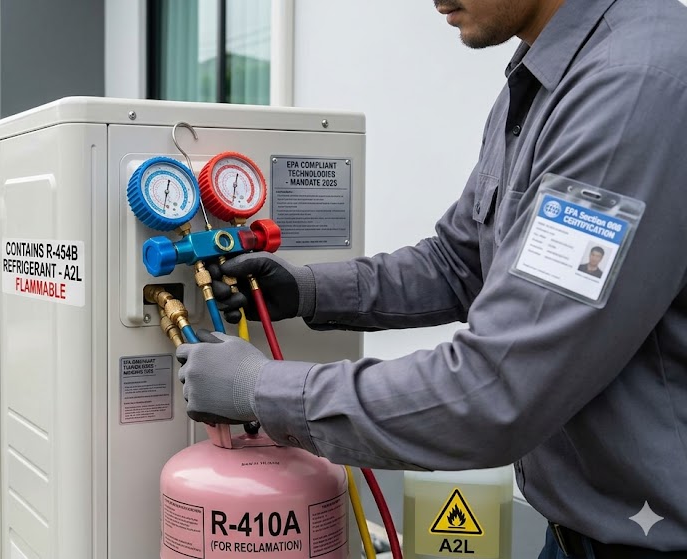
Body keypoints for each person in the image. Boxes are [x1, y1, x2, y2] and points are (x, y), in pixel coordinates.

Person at [175, 0, 687, 557]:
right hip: (573, 531)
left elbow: (497, 387)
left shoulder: (632, 87)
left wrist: (259, 389)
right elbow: (459, 262)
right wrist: (306, 290)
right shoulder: (547, 73)